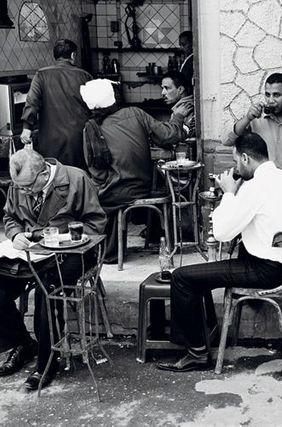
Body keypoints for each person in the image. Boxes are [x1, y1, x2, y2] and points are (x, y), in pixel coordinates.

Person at [157, 132, 282, 372]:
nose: (236, 167)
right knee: (201, 276)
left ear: (246, 158)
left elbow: (221, 234)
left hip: (265, 271)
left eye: (236, 161)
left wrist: (229, 193)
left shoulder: (256, 187)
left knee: (182, 277)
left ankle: (196, 352)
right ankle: (207, 335)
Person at [0, 149, 106, 391]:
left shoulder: (76, 179)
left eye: (28, 187)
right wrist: (15, 235)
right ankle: (22, 343)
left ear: (44, 174)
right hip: (32, 252)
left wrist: (65, 238)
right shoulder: (20, 184)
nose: (24, 192)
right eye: (20, 188)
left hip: (73, 251)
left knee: (46, 290)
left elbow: (96, 223)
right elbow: (10, 217)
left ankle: (47, 362)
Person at [79, 79, 187, 263]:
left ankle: (107, 252)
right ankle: (154, 236)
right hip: (141, 188)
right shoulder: (135, 113)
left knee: (86, 201)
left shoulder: (90, 129)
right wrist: (178, 117)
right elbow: (169, 135)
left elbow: (95, 170)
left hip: (110, 194)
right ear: (114, 98)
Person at [225, 72, 282, 254]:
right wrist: (247, 118)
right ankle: (251, 246)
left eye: (276, 95)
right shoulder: (257, 117)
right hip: (258, 181)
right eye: (267, 95)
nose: (270, 100)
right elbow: (227, 140)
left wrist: (279, 182)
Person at [20, 39, 93, 170]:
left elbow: (32, 101)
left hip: (50, 139)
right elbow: (95, 106)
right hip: (79, 138)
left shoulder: (41, 75)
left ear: (55, 56)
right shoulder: (85, 76)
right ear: (73, 55)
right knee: (78, 175)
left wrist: (27, 127)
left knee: (53, 175)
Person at [161, 71, 195, 138]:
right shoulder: (180, 108)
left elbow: (176, 137)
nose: (163, 93)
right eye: (162, 88)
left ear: (180, 90)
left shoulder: (187, 108)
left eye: (167, 88)